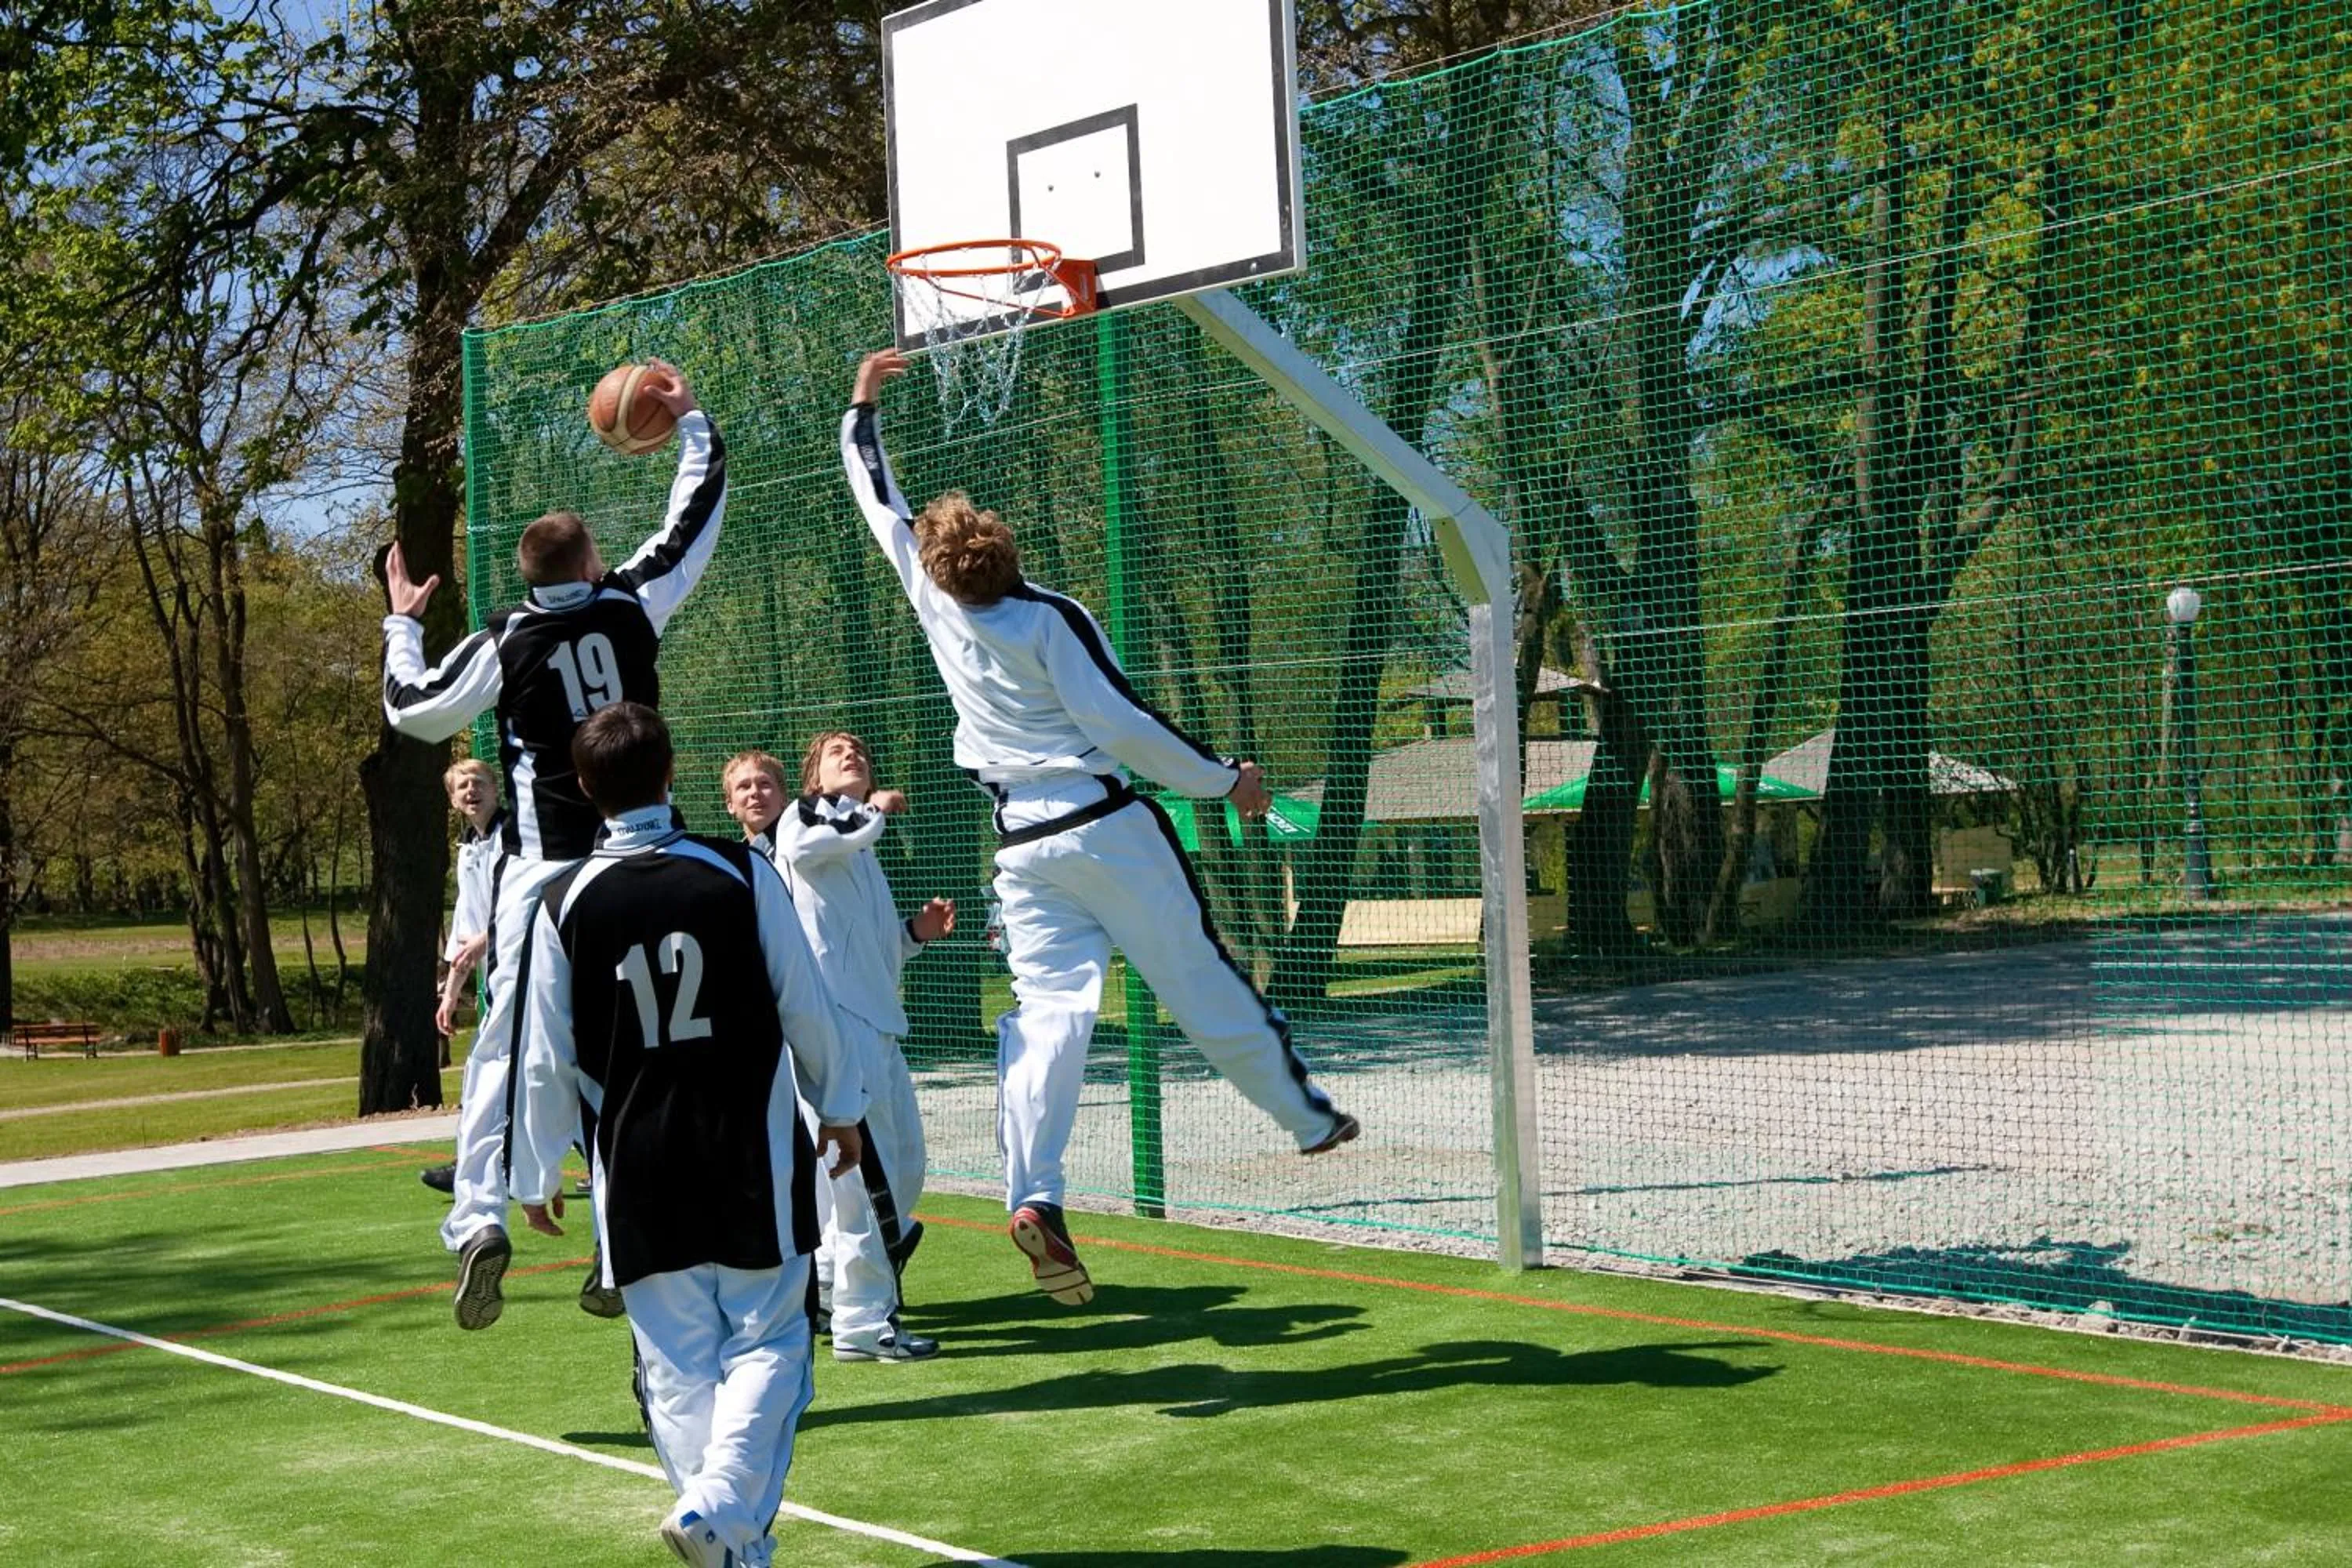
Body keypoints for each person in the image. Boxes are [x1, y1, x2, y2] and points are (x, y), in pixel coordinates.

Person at [837, 348, 1359, 1308]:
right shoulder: (1049, 617)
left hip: (1020, 850)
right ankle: (1306, 1115)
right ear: (1008, 553)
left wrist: (863, 400)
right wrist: (1223, 781)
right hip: (1103, 824)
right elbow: (1124, 722)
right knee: (1197, 975)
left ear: (940, 566)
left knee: (1050, 1018)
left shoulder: (931, 600)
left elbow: (875, 491)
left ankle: (1033, 1192)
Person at [379, 358, 722, 1330]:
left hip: (544, 875)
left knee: (509, 1048)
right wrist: (691, 425)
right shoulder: (630, 602)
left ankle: (480, 1214)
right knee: (629, 1054)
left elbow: (411, 710)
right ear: (587, 564)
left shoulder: (505, 639)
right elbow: (692, 524)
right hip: (637, 865)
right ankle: (621, 1240)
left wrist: (402, 625)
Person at [511, 703, 864, 1568]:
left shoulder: (562, 900)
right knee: (773, 1339)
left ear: (586, 789)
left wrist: (533, 1167)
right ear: (672, 773)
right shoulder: (741, 870)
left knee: (675, 1363)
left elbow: (543, 1054)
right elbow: (803, 1001)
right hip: (749, 1145)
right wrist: (843, 1103)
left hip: (634, 1162)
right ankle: (719, 1506)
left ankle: (726, 1538)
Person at [727, 741, 950, 1363]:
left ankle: (827, 1287)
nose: (850, 754)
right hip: (839, 1038)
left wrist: (913, 935)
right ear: (813, 779)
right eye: (835, 753)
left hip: (878, 1031)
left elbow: (862, 950)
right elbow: (803, 842)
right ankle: (862, 1323)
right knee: (864, 1188)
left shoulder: (856, 847)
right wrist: (868, 807)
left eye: (858, 751)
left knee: (903, 1173)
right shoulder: (807, 819)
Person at [419, 759, 504, 1195]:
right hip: (500, 983)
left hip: (535, 973)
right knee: (485, 1074)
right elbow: (464, 929)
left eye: (479, 783)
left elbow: (526, 906)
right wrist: (450, 994)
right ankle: (473, 1165)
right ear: (453, 801)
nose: (472, 790)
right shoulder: (469, 849)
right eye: (462, 786)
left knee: (510, 1074)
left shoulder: (517, 838)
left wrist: (486, 939)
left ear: (496, 789)